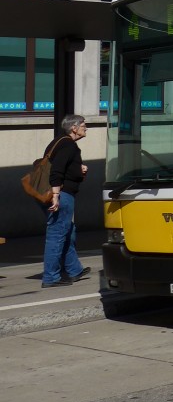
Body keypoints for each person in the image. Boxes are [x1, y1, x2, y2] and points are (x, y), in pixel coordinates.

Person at [41, 115, 90, 288]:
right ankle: (50, 277)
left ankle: (74, 269)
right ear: (74, 128)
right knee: (57, 234)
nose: (86, 128)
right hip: (61, 195)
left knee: (68, 230)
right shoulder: (68, 144)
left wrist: (79, 168)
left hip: (61, 193)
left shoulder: (61, 143)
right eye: (84, 125)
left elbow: (64, 168)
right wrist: (56, 195)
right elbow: (57, 170)